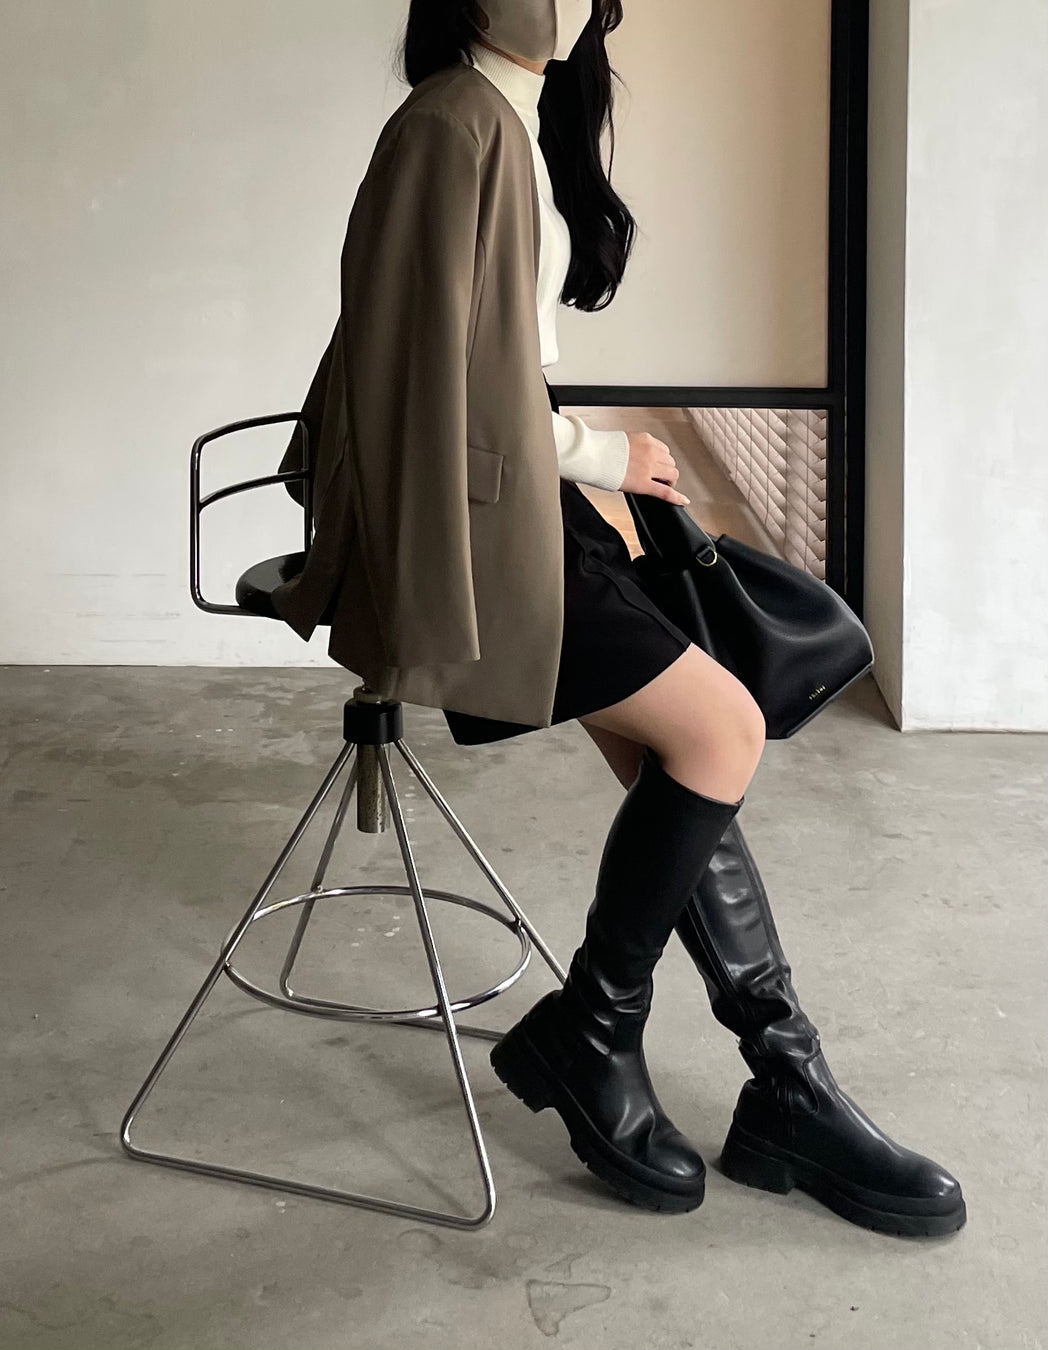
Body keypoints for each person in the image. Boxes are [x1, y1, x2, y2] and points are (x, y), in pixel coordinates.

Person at [277, 0, 966, 1236]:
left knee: (683, 762)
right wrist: (598, 452)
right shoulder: (450, 123)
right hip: (468, 532)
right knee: (721, 732)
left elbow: (491, 367)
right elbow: (424, 378)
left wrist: (593, 478)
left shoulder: (505, 116)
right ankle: (603, 1031)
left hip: (520, 509)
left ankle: (781, 1081)